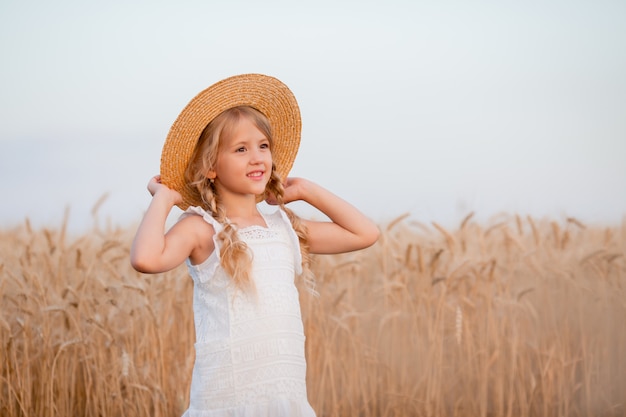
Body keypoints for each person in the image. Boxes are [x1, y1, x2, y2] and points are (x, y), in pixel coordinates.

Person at [130, 74, 379, 417]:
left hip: (284, 398)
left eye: (263, 146)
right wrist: (164, 198)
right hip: (228, 399)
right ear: (211, 167)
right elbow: (145, 258)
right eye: (241, 149)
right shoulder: (201, 229)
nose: (257, 157)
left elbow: (364, 233)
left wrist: (306, 189)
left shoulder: (284, 227)